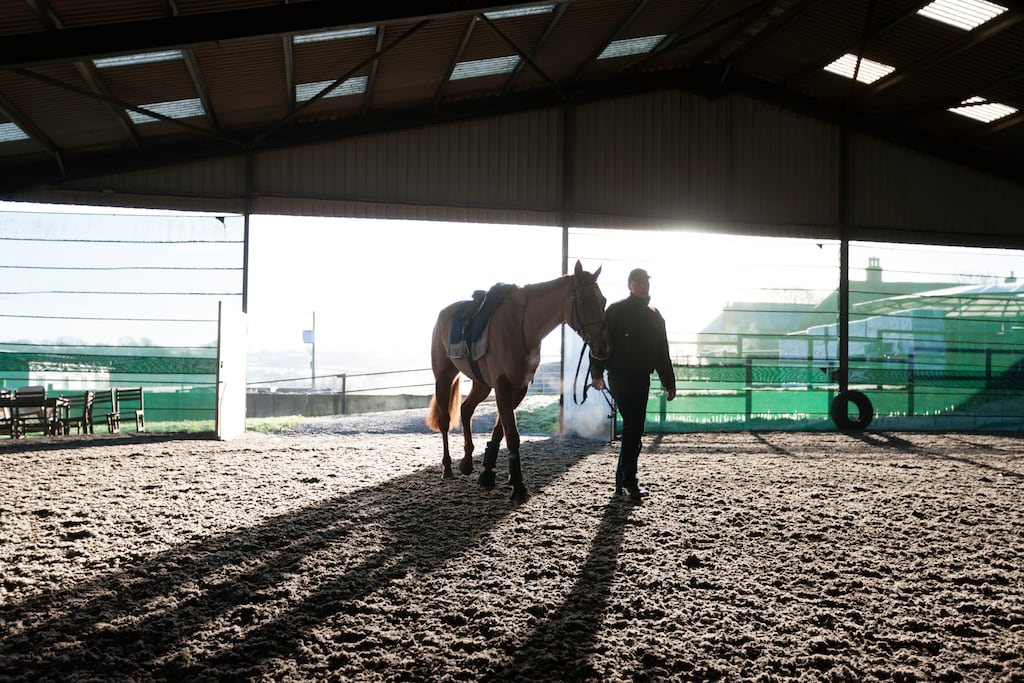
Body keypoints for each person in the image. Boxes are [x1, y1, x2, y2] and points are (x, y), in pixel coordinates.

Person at [591, 267, 676, 502]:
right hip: (619, 376)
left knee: (634, 427)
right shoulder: (616, 311)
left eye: (645, 282)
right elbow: (600, 343)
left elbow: (662, 352)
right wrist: (596, 373)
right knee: (633, 426)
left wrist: (669, 381)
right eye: (638, 282)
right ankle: (628, 481)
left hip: (641, 377)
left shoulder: (654, 315)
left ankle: (622, 481)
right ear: (630, 285)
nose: (642, 285)